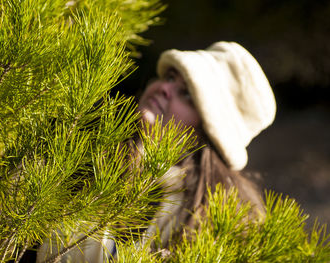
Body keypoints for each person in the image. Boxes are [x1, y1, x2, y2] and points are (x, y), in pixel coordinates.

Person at [37, 41, 276, 262]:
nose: (165, 88)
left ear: (208, 134)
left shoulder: (208, 217)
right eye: (171, 77)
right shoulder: (82, 143)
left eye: (187, 94)